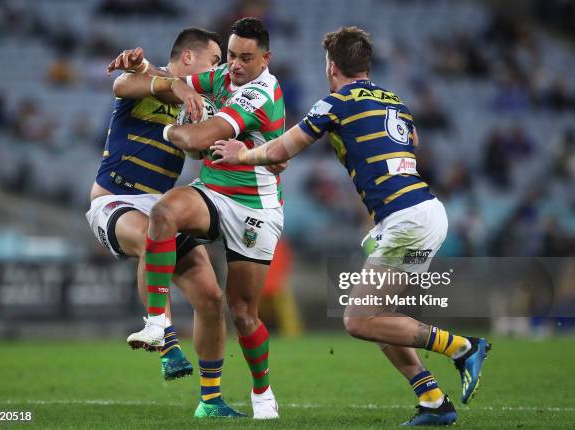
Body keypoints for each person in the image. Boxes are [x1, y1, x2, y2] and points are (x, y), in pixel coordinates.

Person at [211, 26, 492, 426]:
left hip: (407, 220)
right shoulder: (395, 100)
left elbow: (280, 149)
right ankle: (432, 400)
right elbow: (409, 140)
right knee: (381, 320)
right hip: (423, 212)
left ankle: (463, 347)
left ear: (331, 66)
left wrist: (242, 154)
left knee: (358, 320)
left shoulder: (334, 103)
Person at [127, 17, 284, 419]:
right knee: (164, 212)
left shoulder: (263, 92)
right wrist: (141, 67)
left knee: (244, 312)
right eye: (231, 55)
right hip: (214, 192)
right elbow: (169, 80)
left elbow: (197, 139)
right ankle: (158, 320)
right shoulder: (220, 77)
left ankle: (262, 391)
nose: (234, 65)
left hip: (254, 207)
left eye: (245, 58)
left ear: (265, 58)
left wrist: (172, 132)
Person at [87, 28, 244, 418]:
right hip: (115, 200)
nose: (217, 69)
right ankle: (167, 341)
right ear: (188, 58)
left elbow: (198, 148)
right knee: (149, 239)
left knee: (211, 297)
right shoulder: (148, 79)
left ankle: (211, 401)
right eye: (213, 61)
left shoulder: (198, 101)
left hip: (162, 207)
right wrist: (163, 78)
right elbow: (123, 83)